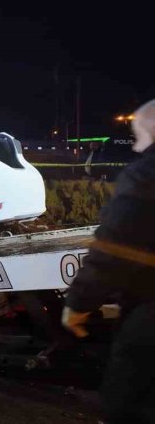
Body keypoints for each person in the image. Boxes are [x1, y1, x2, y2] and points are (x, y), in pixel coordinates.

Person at [62, 99, 155, 422]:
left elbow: (115, 250)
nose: (135, 142)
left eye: (137, 133)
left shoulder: (147, 174)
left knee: (128, 401)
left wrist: (79, 304)